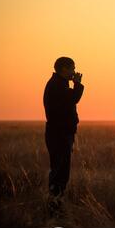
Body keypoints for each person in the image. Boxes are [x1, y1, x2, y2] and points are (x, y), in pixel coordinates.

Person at [43, 57, 84, 215]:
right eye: (72, 68)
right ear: (64, 69)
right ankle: (54, 206)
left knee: (61, 171)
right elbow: (73, 99)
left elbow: (70, 101)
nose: (74, 71)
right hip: (59, 134)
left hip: (61, 133)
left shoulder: (59, 84)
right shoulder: (57, 85)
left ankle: (56, 204)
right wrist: (78, 84)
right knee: (60, 172)